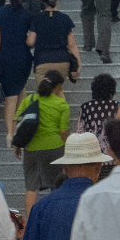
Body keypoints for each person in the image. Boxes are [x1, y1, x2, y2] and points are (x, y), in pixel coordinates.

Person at [15, 70, 71, 216]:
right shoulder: (61, 104)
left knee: (31, 187)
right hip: (55, 149)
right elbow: (63, 131)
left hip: (32, 148)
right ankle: (57, 217)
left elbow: (19, 121)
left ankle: (30, 223)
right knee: (57, 186)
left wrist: (18, 144)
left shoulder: (28, 100)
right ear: (57, 86)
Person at [0, 0, 35, 142]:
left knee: (10, 96)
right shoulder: (28, 14)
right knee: (20, 92)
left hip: (6, 58)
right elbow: (31, 40)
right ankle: (17, 126)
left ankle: (10, 132)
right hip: (23, 58)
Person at [29, 0, 80, 82]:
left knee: (44, 94)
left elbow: (31, 41)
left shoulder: (37, 19)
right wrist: (78, 64)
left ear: (43, 1)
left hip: (42, 60)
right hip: (62, 60)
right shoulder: (65, 19)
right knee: (57, 90)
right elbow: (72, 45)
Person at [77, 73, 120, 164]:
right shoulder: (118, 106)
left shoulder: (85, 107)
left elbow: (80, 131)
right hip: (114, 156)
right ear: (112, 91)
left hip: (92, 157)